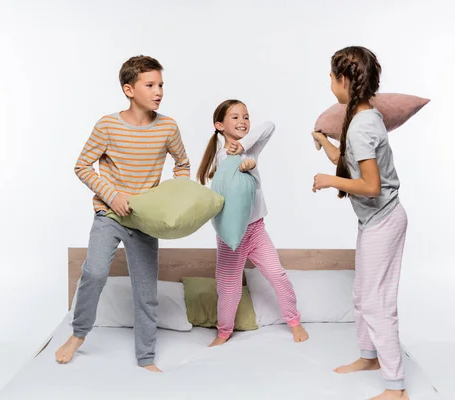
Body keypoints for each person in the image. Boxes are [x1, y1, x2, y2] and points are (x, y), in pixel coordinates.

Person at [55, 55, 190, 372]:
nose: (158, 91)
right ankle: (78, 334)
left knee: (146, 292)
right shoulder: (108, 125)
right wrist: (111, 194)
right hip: (108, 215)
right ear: (129, 89)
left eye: (160, 85)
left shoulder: (168, 127)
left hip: (144, 222)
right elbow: (82, 166)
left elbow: (182, 165)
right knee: (95, 272)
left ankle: (145, 357)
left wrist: (171, 198)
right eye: (150, 85)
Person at [312, 46, 409, 400]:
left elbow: (370, 185)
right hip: (375, 220)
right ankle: (369, 357)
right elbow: (351, 163)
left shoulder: (361, 125)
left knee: (376, 302)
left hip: (383, 219)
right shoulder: (362, 117)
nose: (329, 82)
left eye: (332, 76)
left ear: (344, 80)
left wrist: (329, 180)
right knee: (362, 294)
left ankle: (396, 388)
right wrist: (325, 142)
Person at [198, 99, 309, 347]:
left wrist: (245, 152)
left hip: (256, 229)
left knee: (277, 274)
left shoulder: (250, 149)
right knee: (229, 287)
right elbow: (224, 187)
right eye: (235, 117)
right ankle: (224, 332)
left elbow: (269, 126)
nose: (243, 121)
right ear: (219, 125)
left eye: (246, 117)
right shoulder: (219, 157)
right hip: (232, 235)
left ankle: (294, 321)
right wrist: (242, 163)